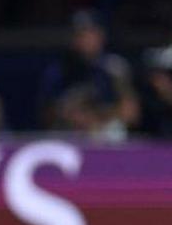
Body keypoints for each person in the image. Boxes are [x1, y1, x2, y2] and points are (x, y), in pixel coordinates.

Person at [38, 10, 139, 139]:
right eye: (79, 35)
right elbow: (46, 115)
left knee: (115, 131)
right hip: (69, 136)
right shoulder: (58, 71)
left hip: (105, 136)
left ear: (101, 36)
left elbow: (131, 114)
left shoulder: (115, 67)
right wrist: (71, 115)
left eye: (90, 34)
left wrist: (97, 117)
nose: (84, 40)